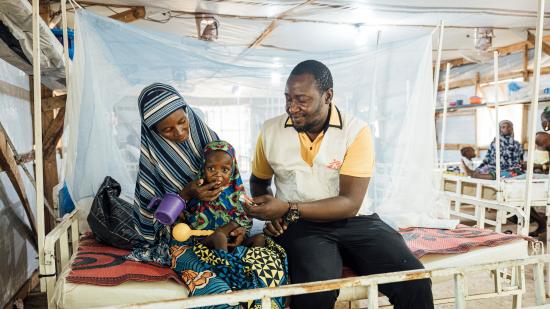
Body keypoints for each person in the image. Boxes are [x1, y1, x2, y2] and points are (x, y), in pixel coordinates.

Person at [245, 60, 433, 309]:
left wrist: (286, 208)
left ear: (328, 96)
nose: (292, 107)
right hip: (302, 227)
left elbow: (350, 204)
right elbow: (259, 181)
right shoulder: (270, 130)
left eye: (302, 99)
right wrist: (272, 213)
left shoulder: (355, 131)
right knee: (315, 293)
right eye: (288, 98)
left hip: (357, 222)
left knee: (415, 281)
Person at [129, 83, 287, 309]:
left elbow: (236, 195)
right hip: (186, 237)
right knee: (216, 290)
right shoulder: (153, 160)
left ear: (188, 114)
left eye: (182, 122)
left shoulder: (212, 144)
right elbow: (151, 219)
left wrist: (240, 229)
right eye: (167, 130)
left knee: (266, 271)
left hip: (226, 233)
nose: (180, 133)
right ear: (154, 132)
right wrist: (186, 194)